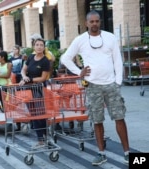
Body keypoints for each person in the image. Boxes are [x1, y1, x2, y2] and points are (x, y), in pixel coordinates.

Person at [60, 10, 129, 166]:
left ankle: (127, 153)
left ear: (100, 22)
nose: (94, 24)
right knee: (97, 120)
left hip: (111, 84)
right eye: (91, 21)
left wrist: (118, 82)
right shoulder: (80, 40)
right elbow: (65, 58)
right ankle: (101, 153)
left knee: (119, 117)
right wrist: (80, 72)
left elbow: (118, 60)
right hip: (93, 86)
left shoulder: (110, 37)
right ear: (86, 23)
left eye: (97, 21)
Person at [20, 38, 50, 147]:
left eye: (41, 45)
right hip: (28, 89)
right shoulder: (31, 57)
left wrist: (30, 80)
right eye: (37, 45)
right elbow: (23, 69)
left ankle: (45, 135)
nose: (39, 47)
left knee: (40, 113)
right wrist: (24, 77)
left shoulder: (45, 61)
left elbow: (43, 78)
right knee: (33, 113)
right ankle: (40, 139)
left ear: (44, 47)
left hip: (39, 89)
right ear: (34, 46)